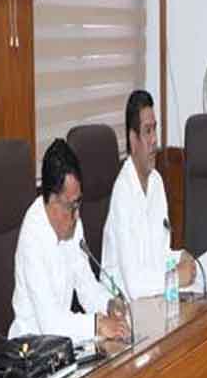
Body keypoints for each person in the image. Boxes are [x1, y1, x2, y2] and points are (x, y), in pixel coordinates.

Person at [10, 139, 129, 344]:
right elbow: (50, 323)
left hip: (61, 345)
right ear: (51, 199)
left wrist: (108, 304)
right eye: (71, 206)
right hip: (32, 347)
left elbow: (86, 285)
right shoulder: (32, 237)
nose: (77, 215)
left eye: (78, 203)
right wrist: (97, 324)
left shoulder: (73, 222)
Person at [102, 90, 194, 299]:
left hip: (152, 298)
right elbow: (133, 285)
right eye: (147, 131)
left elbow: (158, 256)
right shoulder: (122, 193)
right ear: (133, 139)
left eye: (155, 130)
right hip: (122, 306)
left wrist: (181, 257)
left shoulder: (156, 182)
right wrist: (176, 277)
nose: (154, 140)